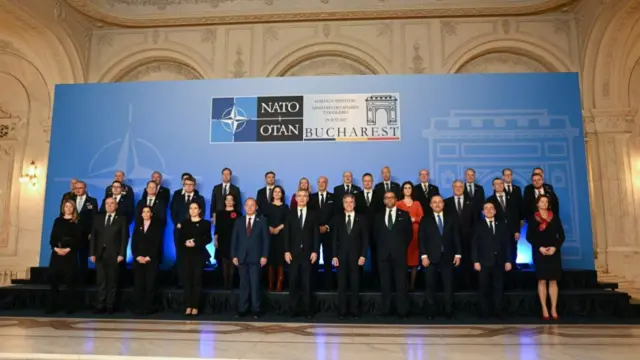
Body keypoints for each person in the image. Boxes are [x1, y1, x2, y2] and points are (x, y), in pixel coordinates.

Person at [419, 195, 461, 319]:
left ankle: (448, 311)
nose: (437, 204)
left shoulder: (451, 218)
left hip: (448, 257)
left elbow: (456, 237)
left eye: (439, 202)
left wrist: (458, 254)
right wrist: (424, 256)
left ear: (443, 204)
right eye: (434, 202)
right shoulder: (425, 220)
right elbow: (421, 239)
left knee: (448, 285)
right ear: (430, 205)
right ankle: (431, 312)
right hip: (431, 258)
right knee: (430, 285)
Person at [373, 191, 412, 318]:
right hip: (383, 255)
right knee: (385, 284)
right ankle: (386, 310)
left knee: (401, 284)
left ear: (396, 199)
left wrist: (400, 247)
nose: (389, 199)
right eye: (386, 198)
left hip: (399, 254)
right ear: (384, 201)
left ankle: (402, 311)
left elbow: (409, 235)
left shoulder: (404, 215)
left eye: (391, 197)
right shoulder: (378, 216)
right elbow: (375, 235)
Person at [526, 194, 565, 320]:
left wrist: (554, 247)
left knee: (553, 280)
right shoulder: (533, 218)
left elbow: (562, 236)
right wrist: (540, 247)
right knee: (542, 280)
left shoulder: (554, 217)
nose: (544, 204)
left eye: (546, 202)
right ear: (537, 204)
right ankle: (544, 308)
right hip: (540, 252)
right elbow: (529, 237)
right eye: (542, 201)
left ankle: (553, 308)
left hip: (553, 252)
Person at [472, 202, 512, 318]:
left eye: (491, 208)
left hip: (499, 262)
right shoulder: (478, 225)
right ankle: (485, 313)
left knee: (498, 288)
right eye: (486, 209)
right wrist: (475, 261)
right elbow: (474, 244)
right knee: (484, 288)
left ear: (495, 211)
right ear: (483, 212)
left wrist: (509, 260)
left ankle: (498, 312)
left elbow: (507, 244)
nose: (489, 210)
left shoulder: (502, 225)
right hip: (483, 263)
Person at [284, 190, 320, 319]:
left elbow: (316, 234)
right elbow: (286, 234)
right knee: (293, 282)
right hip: (293, 254)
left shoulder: (313, 215)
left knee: (307, 283)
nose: (302, 198)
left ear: (308, 199)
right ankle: (293, 310)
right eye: (299, 196)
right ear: (296, 198)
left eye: (305, 196)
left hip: (308, 254)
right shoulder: (290, 214)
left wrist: (315, 251)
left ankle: (307, 310)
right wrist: (286, 251)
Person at [332, 194, 369, 320]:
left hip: (356, 257)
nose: (348, 204)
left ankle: (354, 311)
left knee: (355, 285)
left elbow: (365, 239)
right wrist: (334, 256)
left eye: (351, 202)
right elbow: (334, 239)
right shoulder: (337, 219)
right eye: (346, 202)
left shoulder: (362, 218)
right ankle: (342, 311)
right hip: (341, 257)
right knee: (341, 285)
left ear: (354, 203)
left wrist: (363, 255)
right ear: (343, 204)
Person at [231, 198, 269, 318]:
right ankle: (243, 309)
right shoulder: (239, 221)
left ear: (256, 207)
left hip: (256, 257)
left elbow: (266, 240)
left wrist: (264, 255)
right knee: (243, 284)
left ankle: (256, 309)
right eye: (247, 205)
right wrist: (234, 255)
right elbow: (234, 240)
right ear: (244, 207)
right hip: (241, 257)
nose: (249, 207)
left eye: (252, 205)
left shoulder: (262, 221)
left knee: (255, 284)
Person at [90, 197, 129, 314]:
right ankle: (100, 305)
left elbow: (124, 238)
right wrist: (92, 253)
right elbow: (93, 237)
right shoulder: (98, 218)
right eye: (107, 203)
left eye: (112, 203)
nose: (109, 205)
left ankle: (110, 306)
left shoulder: (121, 219)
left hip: (114, 254)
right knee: (101, 281)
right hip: (99, 254)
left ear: (116, 205)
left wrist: (122, 254)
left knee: (112, 282)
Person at [47, 199, 82, 314]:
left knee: (70, 282)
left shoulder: (77, 222)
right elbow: (52, 238)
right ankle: (52, 307)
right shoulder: (57, 221)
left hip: (70, 255)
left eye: (71, 206)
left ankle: (69, 308)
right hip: (56, 255)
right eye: (66, 206)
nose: (68, 208)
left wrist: (68, 249)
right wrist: (56, 249)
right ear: (63, 208)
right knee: (54, 281)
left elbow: (78, 239)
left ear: (74, 208)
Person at [170, 176, 206, 286]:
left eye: (191, 185)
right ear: (183, 185)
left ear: (194, 186)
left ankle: (193, 282)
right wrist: (177, 223)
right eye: (186, 184)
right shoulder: (177, 197)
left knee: (194, 256)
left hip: (194, 232)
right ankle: (182, 281)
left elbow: (202, 214)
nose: (188, 187)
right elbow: (173, 212)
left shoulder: (200, 198)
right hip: (180, 230)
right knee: (180, 256)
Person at [179, 201, 212, 316]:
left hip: (198, 255)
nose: (193, 210)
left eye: (195, 208)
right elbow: (179, 238)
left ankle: (196, 306)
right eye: (191, 208)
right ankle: (188, 305)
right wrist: (185, 242)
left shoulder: (205, 223)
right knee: (187, 281)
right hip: (186, 255)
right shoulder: (184, 223)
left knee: (197, 280)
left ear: (200, 210)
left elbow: (208, 239)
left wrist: (196, 242)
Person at [131, 206, 162, 315]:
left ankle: (149, 307)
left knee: (150, 284)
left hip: (151, 260)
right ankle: (139, 306)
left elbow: (157, 244)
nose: (145, 213)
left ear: (151, 214)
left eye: (148, 211)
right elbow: (133, 244)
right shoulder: (137, 226)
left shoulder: (156, 227)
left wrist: (149, 257)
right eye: (143, 211)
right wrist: (137, 256)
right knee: (139, 283)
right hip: (138, 260)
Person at [396, 181, 424, 291]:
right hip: (402, 235)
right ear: (402, 190)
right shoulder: (398, 204)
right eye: (405, 188)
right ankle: (405, 284)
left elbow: (421, 218)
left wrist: (414, 219)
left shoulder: (417, 203)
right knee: (403, 260)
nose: (407, 190)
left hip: (415, 235)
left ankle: (412, 285)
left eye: (409, 188)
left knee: (414, 262)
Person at [309, 176, 335, 291]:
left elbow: (337, 215)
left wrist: (327, 226)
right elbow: (308, 215)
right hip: (314, 232)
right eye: (319, 182)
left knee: (328, 259)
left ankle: (328, 285)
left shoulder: (333, 198)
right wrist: (316, 228)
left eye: (323, 182)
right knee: (313, 259)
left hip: (329, 232)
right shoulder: (311, 198)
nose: (321, 184)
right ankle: (314, 285)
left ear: (327, 184)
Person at [71, 180, 98, 285]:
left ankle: (83, 281)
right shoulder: (70, 200)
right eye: (76, 188)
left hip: (85, 234)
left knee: (83, 257)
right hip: (72, 233)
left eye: (80, 188)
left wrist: (92, 232)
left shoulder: (92, 201)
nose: (78, 190)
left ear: (85, 188)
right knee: (72, 258)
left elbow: (94, 218)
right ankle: (72, 280)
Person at [214, 194, 240, 290]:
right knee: (224, 262)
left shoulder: (238, 214)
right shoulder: (220, 213)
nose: (229, 201)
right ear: (224, 201)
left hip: (234, 240)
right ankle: (225, 284)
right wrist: (215, 240)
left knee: (233, 261)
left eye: (231, 199)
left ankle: (231, 284)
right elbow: (217, 229)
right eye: (227, 199)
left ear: (234, 202)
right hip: (223, 240)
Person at [265, 186, 288, 292]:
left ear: (282, 194)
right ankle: (270, 283)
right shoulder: (267, 206)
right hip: (269, 235)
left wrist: (278, 228)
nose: (277, 193)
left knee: (280, 260)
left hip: (281, 235)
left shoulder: (285, 207)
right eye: (275, 191)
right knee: (271, 260)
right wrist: (270, 228)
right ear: (272, 194)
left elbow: (288, 221)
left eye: (279, 192)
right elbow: (263, 219)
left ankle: (279, 283)